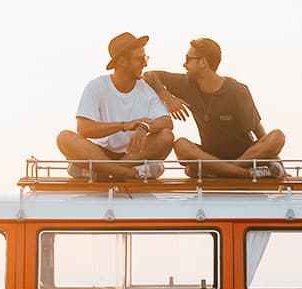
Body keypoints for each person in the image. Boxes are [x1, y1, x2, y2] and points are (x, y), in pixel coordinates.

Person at [143, 38, 285, 179]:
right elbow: (149, 75)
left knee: (277, 136)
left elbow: (257, 129)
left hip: (244, 155)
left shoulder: (237, 90)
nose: (184, 64)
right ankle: (243, 174)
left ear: (203, 62)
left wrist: (275, 157)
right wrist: (168, 99)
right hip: (210, 156)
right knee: (180, 145)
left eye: (188, 59)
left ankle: (223, 171)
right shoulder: (186, 84)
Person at [57, 32, 174, 181]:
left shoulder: (146, 89)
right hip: (100, 153)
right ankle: (124, 172)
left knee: (166, 136)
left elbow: (166, 122)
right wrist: (124, 126)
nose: (145, 63)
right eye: (140, 59)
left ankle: (108, 170)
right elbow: (84, 129)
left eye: (145, 58)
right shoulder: (96, 86)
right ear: (122, 61)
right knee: (64, 137)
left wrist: (144, 127)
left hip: (134, 155)